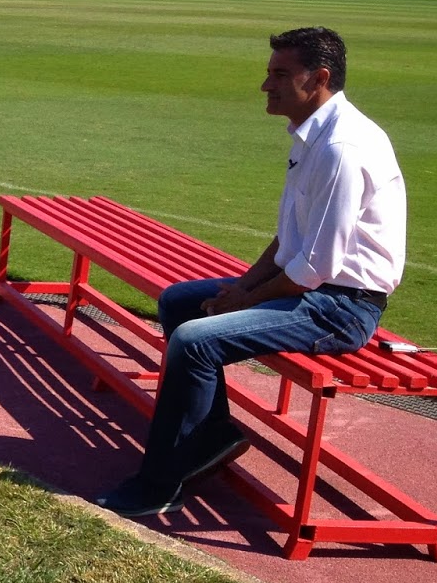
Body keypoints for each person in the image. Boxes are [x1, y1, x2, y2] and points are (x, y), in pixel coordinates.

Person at [95, 27, 406, 518]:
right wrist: (242, 285)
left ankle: (158, 483)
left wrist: (247, 299)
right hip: (314, 289)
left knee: (195, 340)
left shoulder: (341, 148)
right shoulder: (313, 135)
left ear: (319, 78)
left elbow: (314, 268)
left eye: (279, 74)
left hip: (341, 308)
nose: (266, 85)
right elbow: (288, 237)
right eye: (269, 73)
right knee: (180, 301)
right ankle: (211, 434)